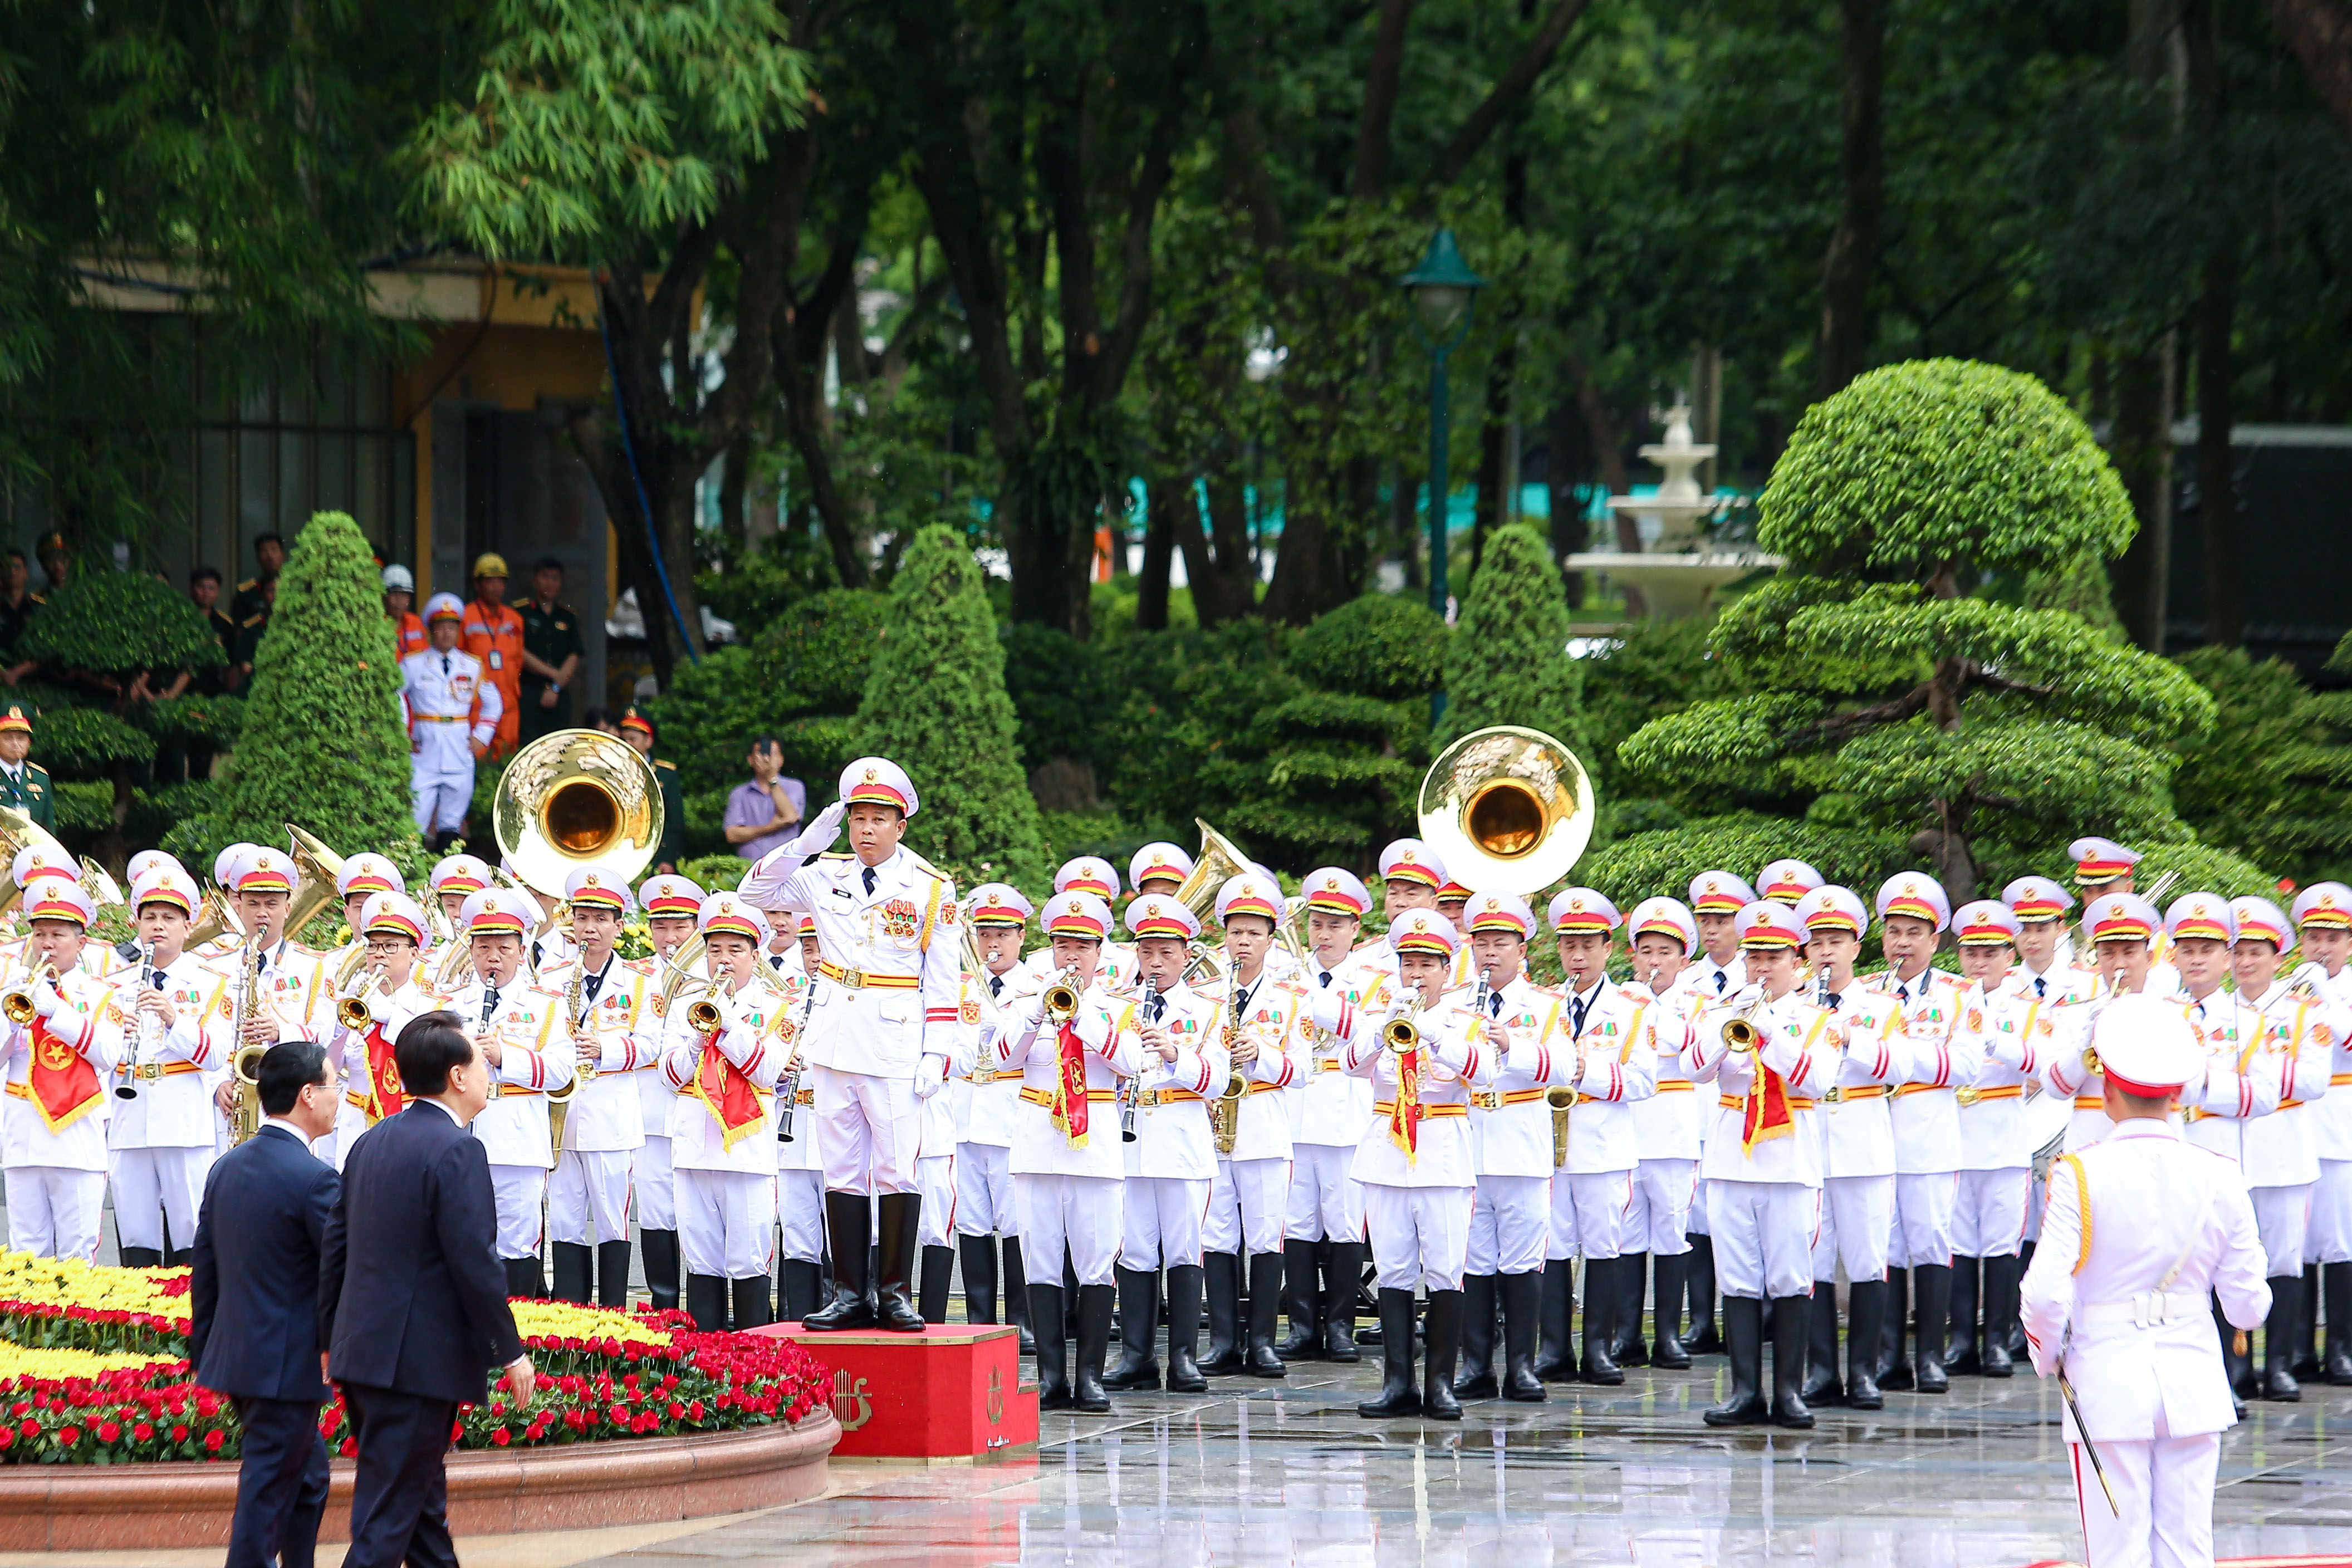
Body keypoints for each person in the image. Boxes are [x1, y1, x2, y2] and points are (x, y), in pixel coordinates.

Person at [2021, 994, 2270, 1568]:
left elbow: (2042, 1293)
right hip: (2192, 1372)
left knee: (2116, 1551)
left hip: (2105, 1372)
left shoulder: (2078, 1173)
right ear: (2178, 1094)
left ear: (2106, 1090)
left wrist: (2049, 1354)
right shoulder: (2220, 1174)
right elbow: (2249, 1305)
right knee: (2187, 1547)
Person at [741, 757, 962, 1336]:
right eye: (857, 818)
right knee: (840, 1168)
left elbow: (942, 981)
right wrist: (805, 841)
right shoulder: (825, 873)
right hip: (834, 1037)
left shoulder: (930, 888)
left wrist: (937, 1051)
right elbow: (753, 890)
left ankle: (893, 1292)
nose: (865, 829)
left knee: (894, 1169)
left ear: (900, 824)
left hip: (894, 1042)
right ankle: (846, 1293)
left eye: (878, 819)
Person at [321, 1011, 534, 1568]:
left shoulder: (372, 1139)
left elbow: (335, 1248)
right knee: (388, 1519)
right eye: (480, 1060)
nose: (489, 1068)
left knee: (420, 1518)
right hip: (413, 1363)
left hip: (364, 1352)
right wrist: (509, 1350)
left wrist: (327, 1338)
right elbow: (475, 1263)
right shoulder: (458, 1149)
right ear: (457, 1076)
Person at [188, 1040, 340, 1568]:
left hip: (240, 1359)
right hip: (286, 1366)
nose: (337, 1096)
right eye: (332, 1084)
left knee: (310, 1479)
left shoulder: (227, 1167)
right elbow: (339, 1274)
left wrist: (204, 1352)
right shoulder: (316, 1178)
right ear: (307, 1095)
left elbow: (203, 1269)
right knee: (266, 1494)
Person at [1690, 899, 1838, 1429]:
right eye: (1754, 955)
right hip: (1731, 1158)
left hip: (1790, 1160)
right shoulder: (1723, 1008)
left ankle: (1790, 1394)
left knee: (1790, 1276)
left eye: (1773, 956)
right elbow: (1695, 1069)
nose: (1761, 966)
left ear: (1797, 962)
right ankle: (1745, 1391)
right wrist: (1730, 1020)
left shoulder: (1819, 1019)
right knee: (1737, 1277)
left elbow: (1816, 1081)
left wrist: (1771, 1029)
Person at [989, 889, 1139, 1412]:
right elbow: (1001, 1055)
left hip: (1094, 1145)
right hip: (1037, 1142)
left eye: (1082, 946)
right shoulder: (1025, 999)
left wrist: (1083, 1017)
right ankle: (1051, 1376)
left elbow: (1132, 1063)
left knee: (1097, 1260)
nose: (1071, 956)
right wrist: (1039, 1010)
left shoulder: (1119, 1006)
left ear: (1101, 951)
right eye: (1062, 945)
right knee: (1041, 1258)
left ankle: (1090, 1376)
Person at [1341, 906, 1487, 1420]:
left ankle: (1441, 1385)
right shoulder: (1381, 1014)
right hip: (1386, 1151)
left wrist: (1431, 1032)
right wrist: (1387, 1026)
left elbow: (1485, 1071)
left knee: (1445, 1270)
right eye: (1409, 964)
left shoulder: (1464, 1020)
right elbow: (1350, 1065)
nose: (1417, 974)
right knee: (1396, 1269)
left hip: (1443, 1151)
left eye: (1428, 964)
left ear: (1447, 971)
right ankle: (1398, 1382)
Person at [1104, 894, 1228, 1395]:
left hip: (1180, 1138)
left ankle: (1182, 1358)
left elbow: (1219, 1079)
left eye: (1167, 953)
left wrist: (1178, 1055)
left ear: (1186, 954)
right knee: (1134, 1249)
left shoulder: (1208, 1009)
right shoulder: (1115, 1006)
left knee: (1183, 1248)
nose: (1155, 963)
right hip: (1128, 1139)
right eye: (1147, 951)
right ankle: (1136, 1355)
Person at [1865, 872, 1978, 1394]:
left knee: (1931, 1242)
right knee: (1882, 1245)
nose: (1902, 943)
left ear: (1936, 942)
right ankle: (1887, 1355)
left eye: (1915, 933)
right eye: (1894, 932)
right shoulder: (1864, 992)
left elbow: (1969, 1063)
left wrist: (1902, 1060)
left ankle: (1931, 1354)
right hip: (1871, 1136)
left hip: (1928, 1136)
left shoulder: (1959, 995)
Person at [660, 890, 790, 1331]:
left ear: (756, 955)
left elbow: (768, 1071)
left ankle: (757, 1366)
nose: (723, 959)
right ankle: (705, 1366)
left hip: (748, 1154)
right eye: (714, 949)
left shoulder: (775, 1010)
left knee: (749, 1258)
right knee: (701, 1261)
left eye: (736, 949)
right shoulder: (684, 1007)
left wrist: (729, 1022)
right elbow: (669, 1075)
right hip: (694, 1146)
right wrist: (698, 1038)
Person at [442, 885, 572, 1297]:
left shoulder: (546, 1005)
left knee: (518, 1240)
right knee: (460, 1236)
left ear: (521, 949)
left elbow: (562, 1070)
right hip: (460, 1138)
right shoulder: (449, 1004)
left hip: (518, 1137)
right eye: (482, 948)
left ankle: (518, 1334)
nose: (492, 958)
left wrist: (506, 1057)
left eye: (503, 947)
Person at [1199, 873, 1303, 1378]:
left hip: (1263, 1123)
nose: (1243, 941)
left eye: (1254, 933)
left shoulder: (1290, 998)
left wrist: (1260, 1054)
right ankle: (1223, 1341)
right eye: (1235, 932)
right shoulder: (1204, 994)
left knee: (1265, 1236)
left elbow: (1303, 1071)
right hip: (1211, 1123)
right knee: (1217, 1235)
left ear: (1270, 938)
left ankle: (1262, 1341)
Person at [540, 869, 656, 1307]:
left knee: (612, 1219)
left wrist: (604, 1048)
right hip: (561, 1116)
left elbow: (651, 1044)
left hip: (610, 1112)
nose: (590, 928)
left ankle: (612, 1313)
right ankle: (569, 1317)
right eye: (583, 918)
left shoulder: (641, 981)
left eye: (601, 919)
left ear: (619, 926)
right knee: (566, 1218)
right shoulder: (550, 977)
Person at [107, 864, 229, 1265]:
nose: (158, 926)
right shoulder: (113, 984)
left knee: (189, 1234)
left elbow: (216, 1056)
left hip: (182, 1122)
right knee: (136, 1236)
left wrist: (175, 1019)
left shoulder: (211, 982)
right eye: (150, 917)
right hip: (129, 1118)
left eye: (169, 918)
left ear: (188, 926)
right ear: (136, 923)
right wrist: (115, 1040)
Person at [1, 880, 124, 1258]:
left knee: (77, 1251)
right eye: (39, 934)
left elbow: (109, 1053)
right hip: (23, 1137)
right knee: (26, 1252)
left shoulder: (102, 993)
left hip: (77, 1138)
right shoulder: (11, 988)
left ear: (81, 943)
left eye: (57, 934)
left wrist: (55, 1010)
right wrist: (11, 1015)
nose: (47, 944)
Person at [956, 884, 1039, 1346]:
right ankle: (978, 1318)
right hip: (965, 1112)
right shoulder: (961, 987)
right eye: (985, 933)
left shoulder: (1035, 989)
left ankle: (1021, 1320)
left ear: (1021, 936)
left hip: (1010, 1114)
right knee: (970, 1220)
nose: (992, 943)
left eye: (1003, 934)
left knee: (1013, 1222)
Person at [633, 873, 707, 1310]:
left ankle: (705, 1313)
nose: (670, 935)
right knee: (657, 1213)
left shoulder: (713, 975)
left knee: (701, 1217)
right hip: (650, 1114)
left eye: (680, 924)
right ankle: (664, 1308)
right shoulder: (636, 977)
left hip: (702, 1113)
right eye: (660, 925)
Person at [400, 594, 501, 848]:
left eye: (452, 628)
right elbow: (394, 696)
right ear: (431, 631)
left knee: (452, 820)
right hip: (425, 747)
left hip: (459, 748)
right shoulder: (413, 664)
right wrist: (403, 735)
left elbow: (494, 703)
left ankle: (446, 873)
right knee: (416, 817)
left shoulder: (472, 665)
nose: (447, 633)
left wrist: (482, 736)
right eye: (441, 628)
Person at [460, 553, 525, 760]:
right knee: (478, 754)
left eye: (500, 581)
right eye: (490, 581)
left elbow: (518, 660)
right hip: (478, 701)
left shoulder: (515, 619)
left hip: (509, 702)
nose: (496, 587)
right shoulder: (466, 617)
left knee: (507, 756)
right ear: (478, 585)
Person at [515, 557, 584, 744]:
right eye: (544, 577)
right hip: (529, 690)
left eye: (555, 578)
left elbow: (575, 653)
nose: (549, 583)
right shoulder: (522, 613)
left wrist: (556, 686)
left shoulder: (567, 616)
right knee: (528, 744)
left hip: (559, 693)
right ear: (535, 580)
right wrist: (555, 674)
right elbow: (519, 651)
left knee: (558, 746)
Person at [620, 708, 687, 875]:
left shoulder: (667, 775)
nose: (627, 744)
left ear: (648, 741)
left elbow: (676, 823)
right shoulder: (613, 771)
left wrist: (668, 859)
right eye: (623, 739)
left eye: (632, 739)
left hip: (657, 859)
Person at [725, 737, 807, 860]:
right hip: (751, 870)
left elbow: (790, 817)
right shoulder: (739, 793)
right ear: (751, 760)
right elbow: (732, 835)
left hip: (787, 869)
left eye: (773, 754)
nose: (767, 759)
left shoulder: (795, 787)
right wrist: (771, 827)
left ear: (781, 759)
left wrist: (772, 779)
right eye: (761, 753)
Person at [0, 702, 54, 830]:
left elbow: (48, 828)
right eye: (8, 738)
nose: (15, 744)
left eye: (21, 738)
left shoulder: (40, 778)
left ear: (29, 742)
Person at [0, 548, 41, 685]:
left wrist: (17, 672)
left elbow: (46, 649)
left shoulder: (39, 606)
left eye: (17, 567)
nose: (12, 572)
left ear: (26, 574)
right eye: (7, 568)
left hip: (36, 682)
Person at [381, 566, 426, 659]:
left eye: (404, 595)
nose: (399, 601)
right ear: (384, 597)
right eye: (394, 595)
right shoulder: (376, 624)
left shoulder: (416, 622)